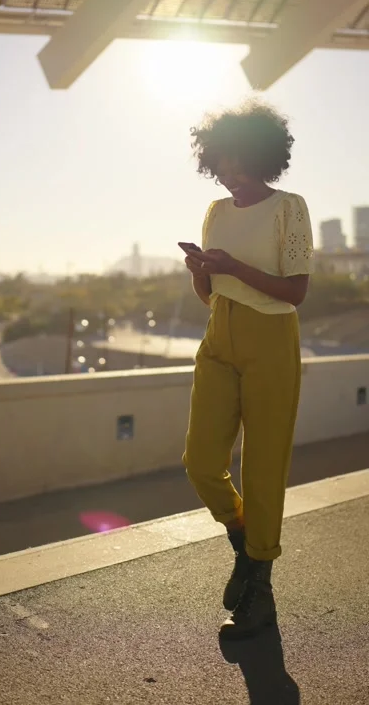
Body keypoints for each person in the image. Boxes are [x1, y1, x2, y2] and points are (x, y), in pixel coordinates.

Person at [182, 99, 313, 640]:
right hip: (221, 333)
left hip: (271, 338)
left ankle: (259, 581)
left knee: (263, 467)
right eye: (221, 166)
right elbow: (209, 296)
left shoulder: (290, 207)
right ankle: (243, 539)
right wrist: (201, 272)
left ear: (263, 157)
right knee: (201, 461)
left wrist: (234, 265)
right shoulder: (215, 211)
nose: (228, 176)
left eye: (237, 164)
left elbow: (296, 290)